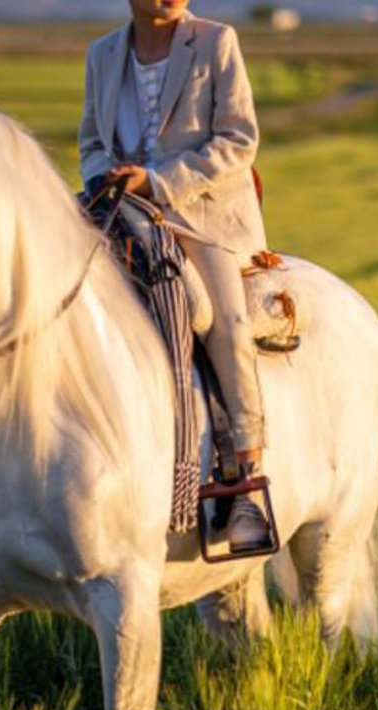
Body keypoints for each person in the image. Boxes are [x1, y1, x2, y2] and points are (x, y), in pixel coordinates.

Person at [78, 0, 272, 550]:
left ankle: (246, 486)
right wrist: (104, 180)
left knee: (227, 323)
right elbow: (92, 141)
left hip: (200, 216)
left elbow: (238, 139)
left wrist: (157, 182)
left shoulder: (217, 41)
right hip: (120, 207)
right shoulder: (103, 55)